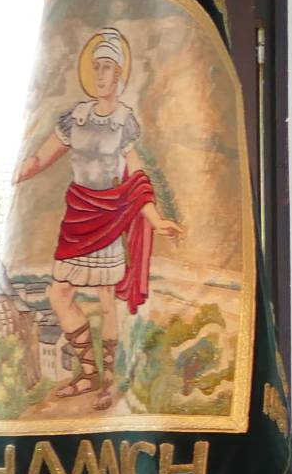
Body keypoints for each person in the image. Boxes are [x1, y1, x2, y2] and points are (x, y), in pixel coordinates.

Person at [11, 27, 182, 410]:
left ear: (119, 74)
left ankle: (111, 380)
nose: (101, 74)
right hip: (78, 216)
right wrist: (17, 173)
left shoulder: (124, 122)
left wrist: (155, 219)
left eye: (107, 67)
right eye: (96, 67)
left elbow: (136, 176)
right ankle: (88, 373)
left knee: (107, 299)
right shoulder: (76, 117)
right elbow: (42, 156)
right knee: (60, 294)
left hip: (107, 217)